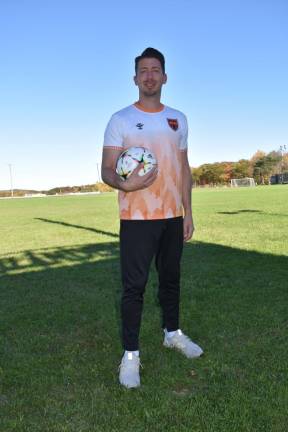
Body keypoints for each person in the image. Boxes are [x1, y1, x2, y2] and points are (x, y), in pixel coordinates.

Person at [101, 47, 203, 388]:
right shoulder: (120, 120)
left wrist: (188, 212)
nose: (149, 75)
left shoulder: (178, 119)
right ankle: (131, 355)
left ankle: (172, 333)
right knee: (134, 287)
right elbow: (106, 170)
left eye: (155, 70)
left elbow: (184, 168)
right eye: (143, 70)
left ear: (164, 77)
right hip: (136, 217)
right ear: (135, 79)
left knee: (171, 280)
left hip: (172, 216)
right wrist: (124, 182)